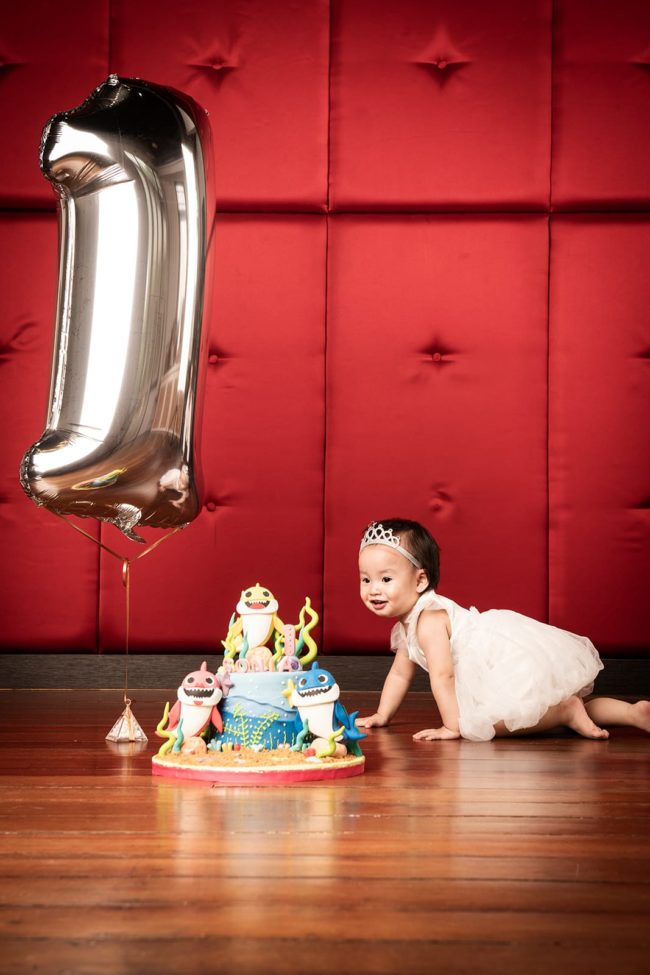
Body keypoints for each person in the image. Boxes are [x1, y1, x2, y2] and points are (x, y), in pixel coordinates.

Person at [356, 519, 650, 741]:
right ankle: (632, 713)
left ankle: (565, 711)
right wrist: (383, 714)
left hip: (501, 665)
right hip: (498, 665)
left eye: (385, 579)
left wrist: (452, 725)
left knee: (480, 724)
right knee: (549, 704)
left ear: (420, 581)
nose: (373, 590)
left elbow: (443, 675)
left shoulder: (430, 620)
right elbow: (399, 673)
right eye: (366, 580)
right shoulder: (410, 623)